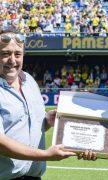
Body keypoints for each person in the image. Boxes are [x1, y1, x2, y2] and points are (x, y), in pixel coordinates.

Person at [0, 30, 96, 180]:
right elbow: (1, 143)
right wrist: (45, 155)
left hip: (34, 176)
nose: (12, 60)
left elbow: (25, 126)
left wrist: (47, 121)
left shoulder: (29, 81)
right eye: (5, 54)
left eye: (17, 54)